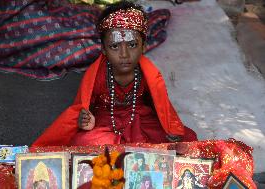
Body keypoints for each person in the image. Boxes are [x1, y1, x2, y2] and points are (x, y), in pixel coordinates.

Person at [32, 1, 197, 147]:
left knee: (186, 137)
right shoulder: (96, 75)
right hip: (105, 121)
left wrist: (168, 126)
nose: (124, 55)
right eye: (115, 46)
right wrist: (86, 119)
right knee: (81, 143)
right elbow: (83, 108)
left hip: (139, 118)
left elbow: (159, 105)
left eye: (132, 45)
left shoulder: (148, 74)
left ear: (144, 46)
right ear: (103, 49)